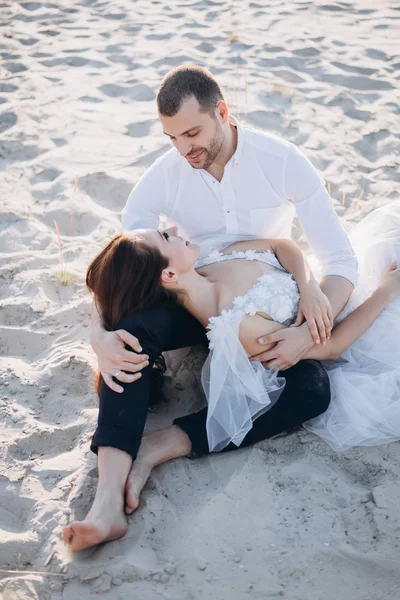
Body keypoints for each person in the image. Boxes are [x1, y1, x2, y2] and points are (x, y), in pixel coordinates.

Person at [63, 201, 400, 551]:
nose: (177, 230)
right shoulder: (239, 323)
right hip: (364, 318)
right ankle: (110, 503)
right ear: (168, 276)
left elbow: (279, 246)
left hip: (333, 287)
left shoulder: (212, 255)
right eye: (166, 236)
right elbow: (334, 346)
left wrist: (309, 285)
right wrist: (387, 290)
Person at [90, 64, 359, 402]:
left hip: (263, 318)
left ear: (221, 112)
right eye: (172, 138)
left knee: (312, 390)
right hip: (193, 306)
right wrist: (97, 332)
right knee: (126, 337)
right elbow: (125, 263)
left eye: (191, 134)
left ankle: (179, 440)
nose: (183, 150)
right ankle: (115, 450)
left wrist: (309, 330)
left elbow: (340, 259)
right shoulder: (164, 174)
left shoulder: (283, 161)